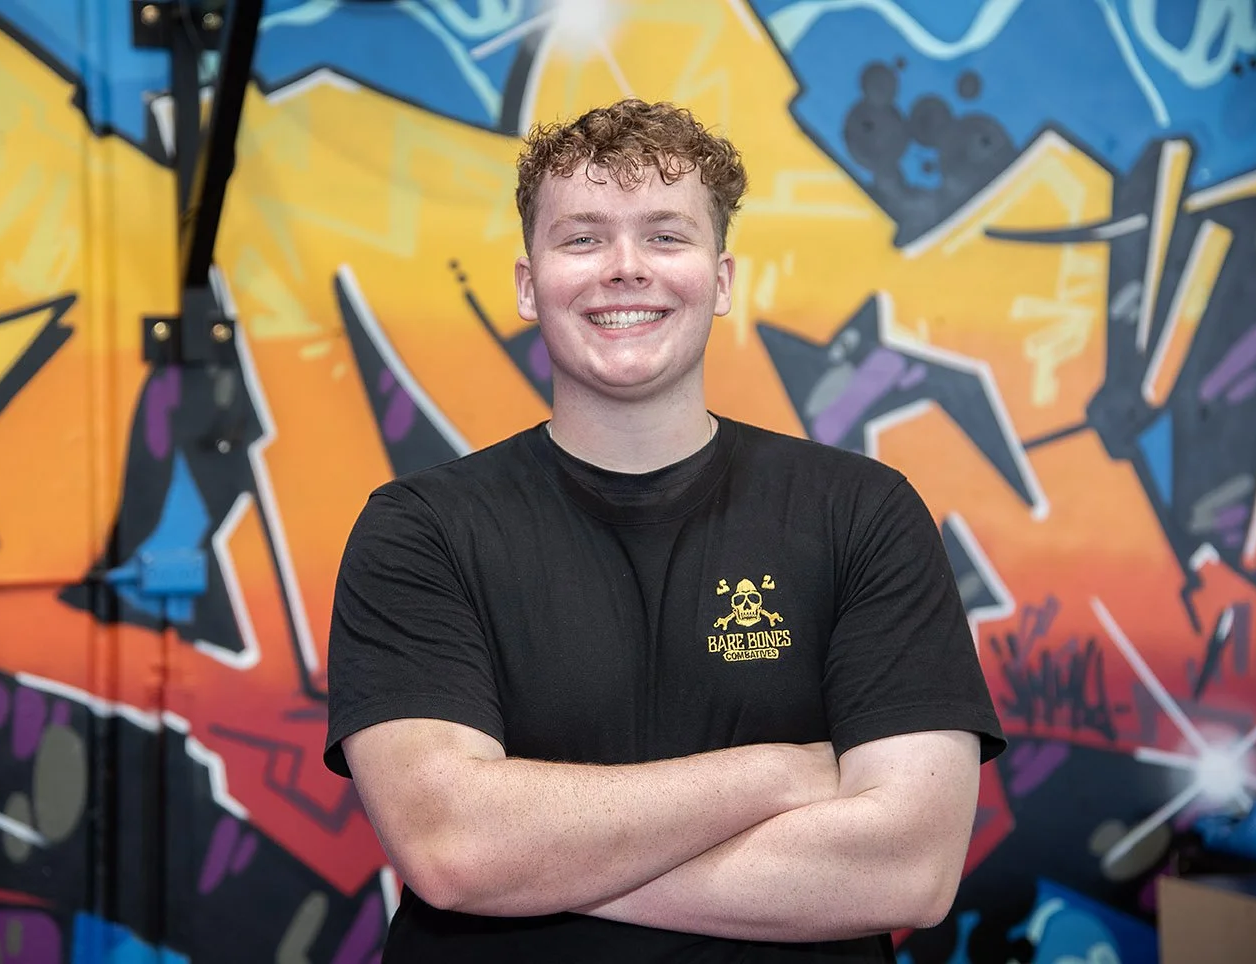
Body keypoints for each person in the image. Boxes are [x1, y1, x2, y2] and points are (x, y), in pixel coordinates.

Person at [323, 98, 1006, 962]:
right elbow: (452, 850)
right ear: (530, 286)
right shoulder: (419, 531)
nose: (624, 268)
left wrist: (534, 864)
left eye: (665, 236)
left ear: (720, 282)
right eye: (581, 239)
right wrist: (779, 774)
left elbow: (908, 870)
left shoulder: (861, 513)